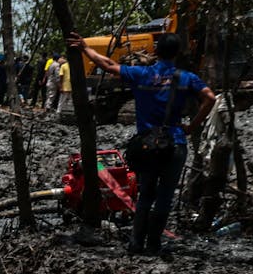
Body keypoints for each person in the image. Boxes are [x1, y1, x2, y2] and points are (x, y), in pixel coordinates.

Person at [70, 31, 216, 255]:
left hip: (147, 145)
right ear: (177, 53)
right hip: (174, 143)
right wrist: (193, 126)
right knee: (165, 197)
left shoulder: (142, 74)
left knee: (146, 194)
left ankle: (136, 243)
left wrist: (84, 48)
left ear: (156, 52)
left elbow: (108, 65)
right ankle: (154, 244)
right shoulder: (186, 77)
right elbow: (210, 97)